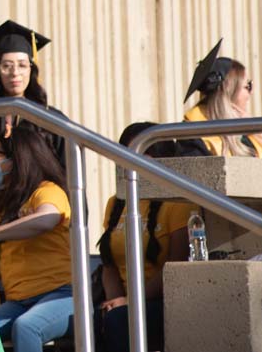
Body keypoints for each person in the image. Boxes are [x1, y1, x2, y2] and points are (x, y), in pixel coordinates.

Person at [96, 122, 204, 352]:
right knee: (92, 319)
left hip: (164, 302)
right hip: (127, 301)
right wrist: (115, 301)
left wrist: (130, 302)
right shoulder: (116, 202)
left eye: (136, 154)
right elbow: (108, 264)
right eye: (122, 153)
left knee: (119, 321)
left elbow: (175, 266)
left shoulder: (178, 201)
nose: (126, 162)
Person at [0, 124, 74, 352]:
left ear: (19, 159)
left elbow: (47, 218)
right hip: (18, 302)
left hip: (62, 295)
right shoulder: (5, 206)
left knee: (27, 327)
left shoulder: (47, 191)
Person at [0, 21, 66, 228]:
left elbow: (68, 177)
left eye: (22, 65)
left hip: (38, 217)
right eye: (6, 65)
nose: (14, 72)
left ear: (31, 69)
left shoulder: (52, 120)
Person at [183, 40, 262, 157]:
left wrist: (251, 124)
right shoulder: (192, 136)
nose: (251, 93)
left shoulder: (250, 131)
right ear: (229, 93)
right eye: (248, 86)